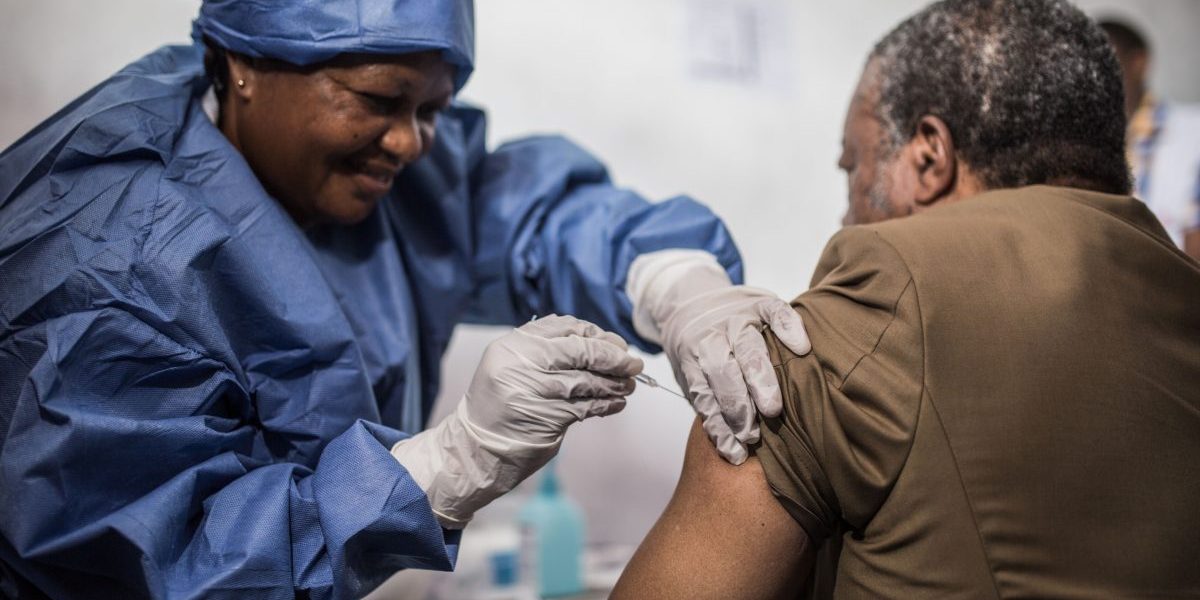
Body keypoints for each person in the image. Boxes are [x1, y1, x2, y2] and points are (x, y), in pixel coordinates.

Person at [0, 1, 811, 597]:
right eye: (383, 102)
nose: (412, 143)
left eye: (434, 109)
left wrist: (673, 281)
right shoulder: (110, 269)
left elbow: (525, 208)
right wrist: (447, 466)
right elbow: (156, 567)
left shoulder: (387, 164)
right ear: (244, 65)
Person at [614, 0, 1200, 598]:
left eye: (854, 164)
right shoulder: (1180, 293)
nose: (846, 212)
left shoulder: (867, 319)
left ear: (928, 157)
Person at [1099, 18, 1200, 260]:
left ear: (1138, 62)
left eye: (1105, 63)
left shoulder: (1193, 130)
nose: (1094, 77)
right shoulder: (1076, 141)